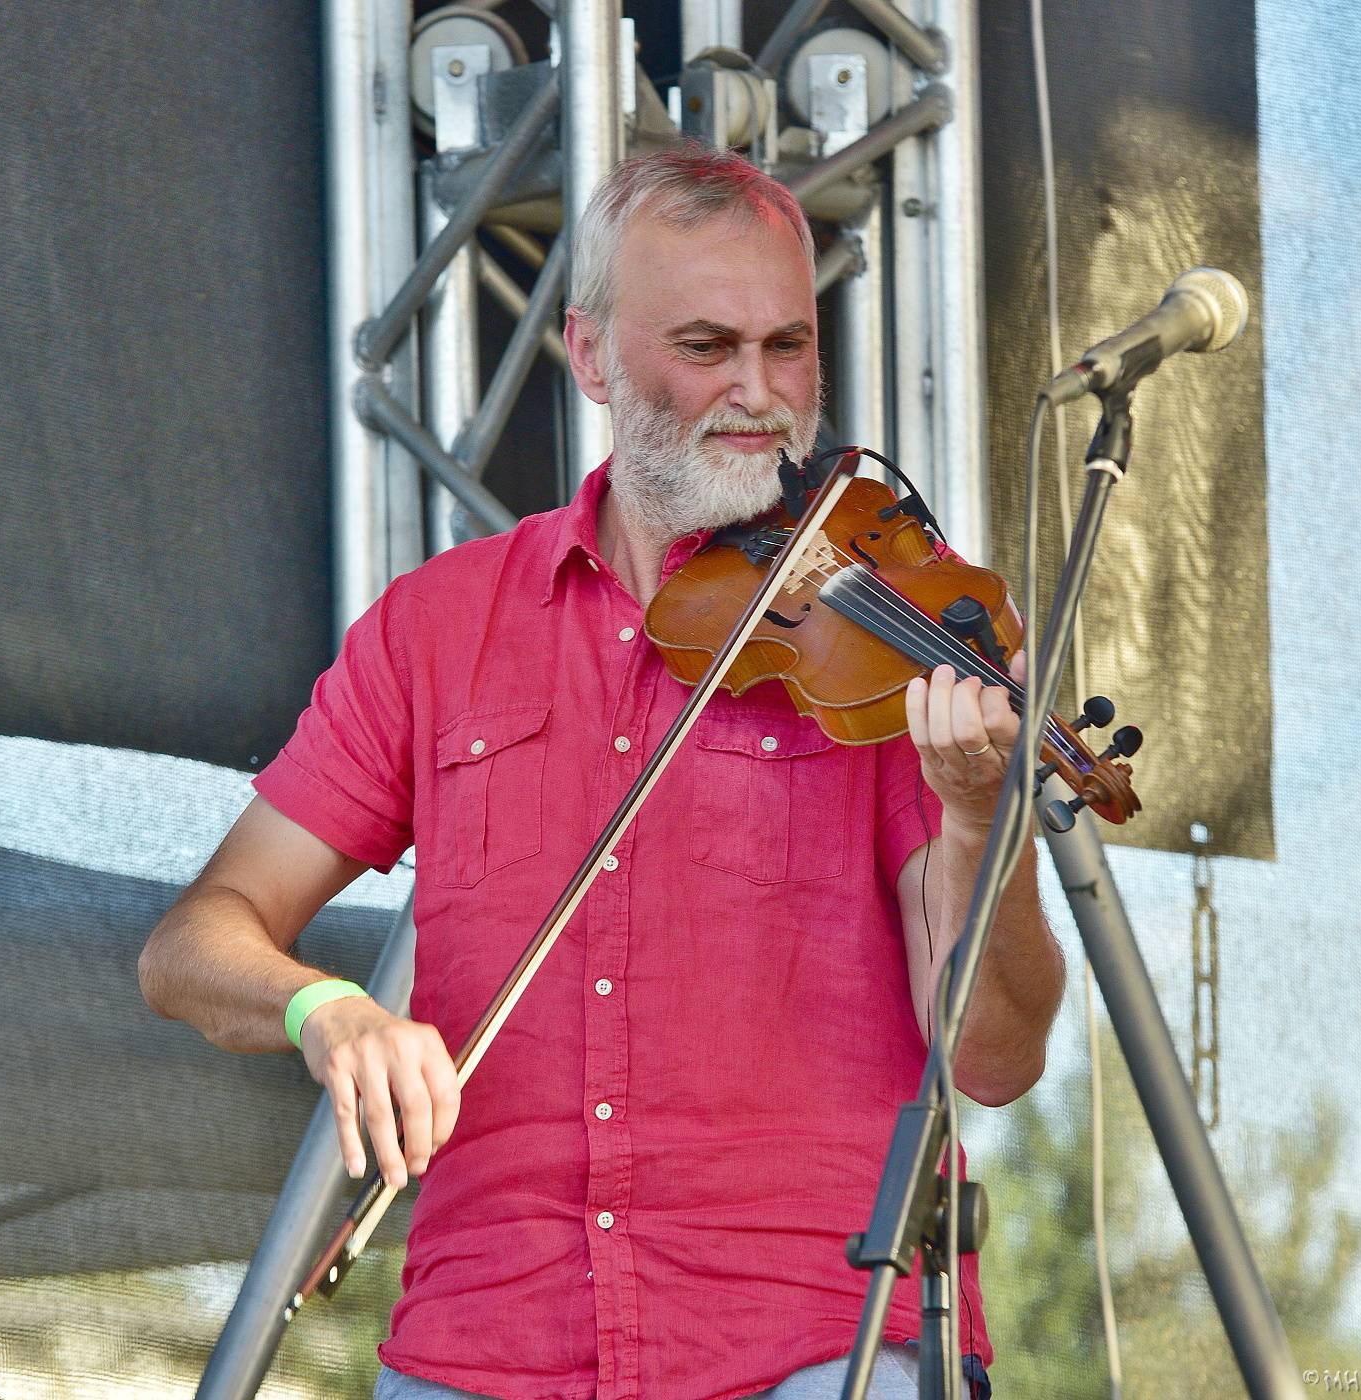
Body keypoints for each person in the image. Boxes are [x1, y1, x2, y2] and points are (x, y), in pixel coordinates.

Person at [139, 148, 1064, 1400]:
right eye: (703, 345)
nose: (758, 393)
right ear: (588, 356)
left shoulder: (890, 638)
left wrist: (976, 824)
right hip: (485, 1345)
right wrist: (328, 1011)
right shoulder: (438, 625)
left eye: (786, 346)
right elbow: (196, 941)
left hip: (813, 1342)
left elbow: (994, 1057)